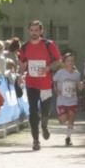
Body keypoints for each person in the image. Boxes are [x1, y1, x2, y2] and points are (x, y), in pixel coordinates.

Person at [18, 20, 62, 151]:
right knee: (33, 112)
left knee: (45, 111)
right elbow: (23, 64)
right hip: (31, 83)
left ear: (41, 31)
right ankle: (36, 140)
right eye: (32, 30)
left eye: (36, 30)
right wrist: (20, 75)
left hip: (45, 84)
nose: (34, 33)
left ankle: (44, 126)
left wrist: (48, 68)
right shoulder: (24, 47)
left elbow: (58, 61)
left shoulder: (49, 44)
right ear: (29, 31)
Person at [53, 53, 83, 146]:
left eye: (72, 61)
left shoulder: (77, 74)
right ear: (64, 62)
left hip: (72, 100)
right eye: (68, 61)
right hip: (61, 100)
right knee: (63, 119)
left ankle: (68, 138)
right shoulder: (60, 72)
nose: (70, 62)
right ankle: (63, 120)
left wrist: (80, 86)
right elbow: (54, 81)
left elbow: (78, 85)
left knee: (71, 118)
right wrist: (56, 89)